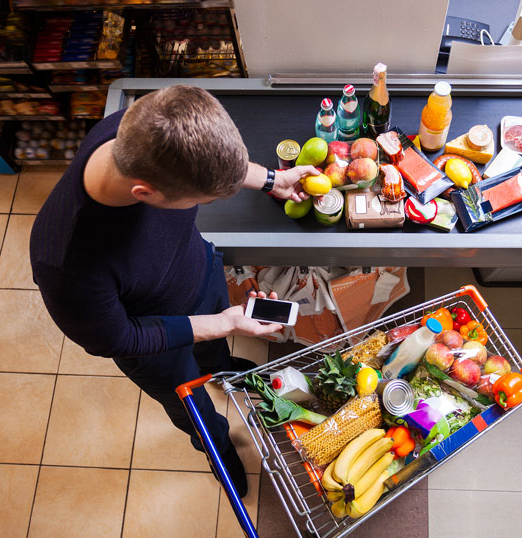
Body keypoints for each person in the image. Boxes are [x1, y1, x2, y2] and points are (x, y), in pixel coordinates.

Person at [29, 85, 317, 497]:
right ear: (145, 194)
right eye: (207, 200)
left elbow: (218, 166)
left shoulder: (138, 130)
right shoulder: (68, 265)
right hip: (155, 343)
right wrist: (220, 322)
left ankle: (219, 366)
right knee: (192, 406)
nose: (215, 201)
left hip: (198, 272)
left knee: (214, 352)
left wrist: (272, 179)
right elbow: (120, 338)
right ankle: (215, 445)